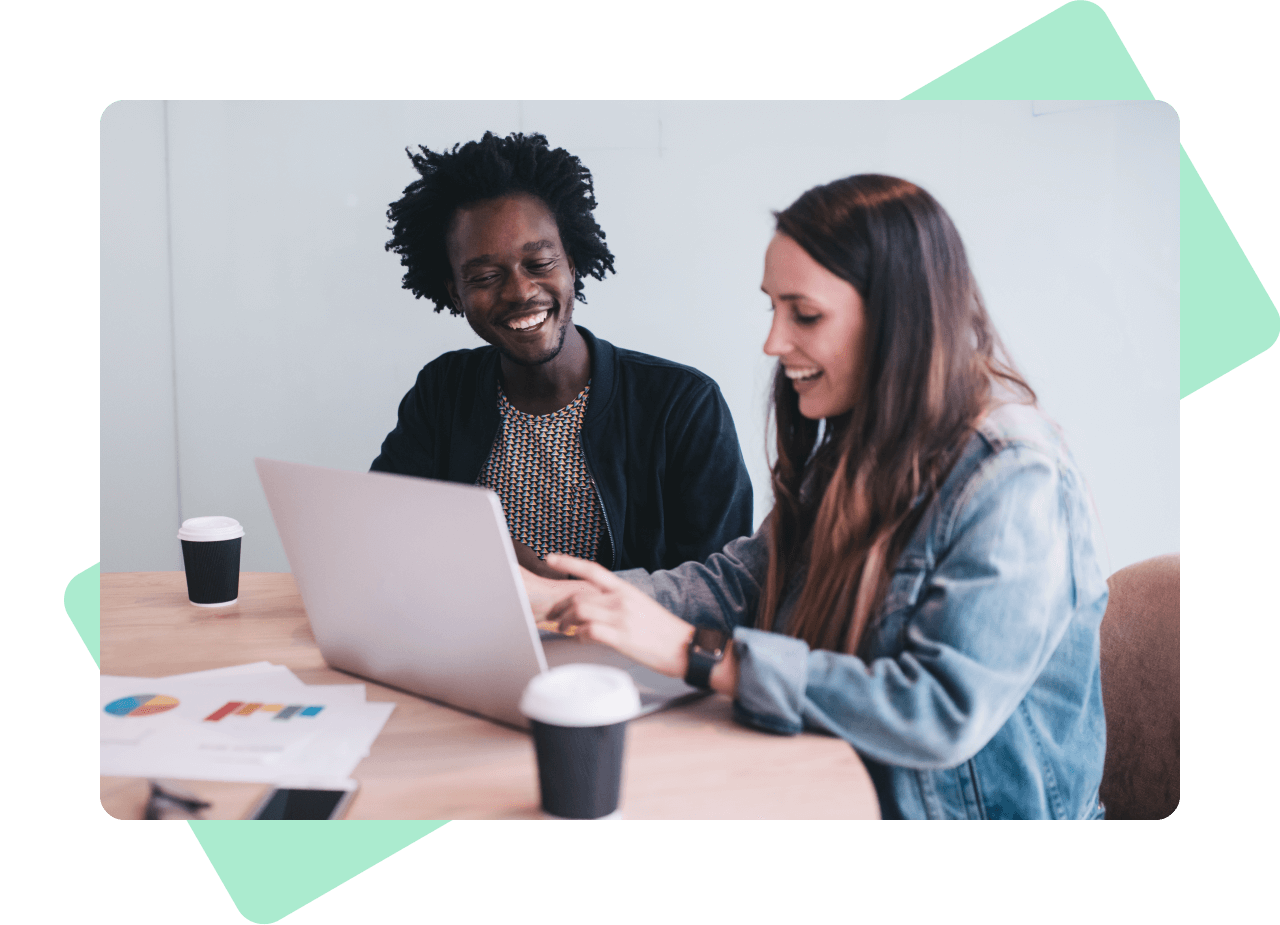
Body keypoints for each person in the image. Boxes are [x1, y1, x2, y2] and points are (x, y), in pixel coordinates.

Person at [521, 174, 1111, 820]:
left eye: (804, 313)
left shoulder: (1014, 477)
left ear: (898, 317)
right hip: (822, 781)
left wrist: (698, 653)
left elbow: (937, 711)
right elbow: (742, 582)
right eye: (772, 307)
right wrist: (572, 599)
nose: (774, 342)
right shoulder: (859, 443)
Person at [372, 132, 754, 579]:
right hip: (468, 643)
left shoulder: (683, 404)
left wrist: (541, 582)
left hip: (618, 649)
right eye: (485, 276)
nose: (519, 292)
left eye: (539, 264)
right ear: (455, 293)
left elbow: (721, 588)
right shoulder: (443, 390)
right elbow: (383, 527)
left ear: (572, 264)